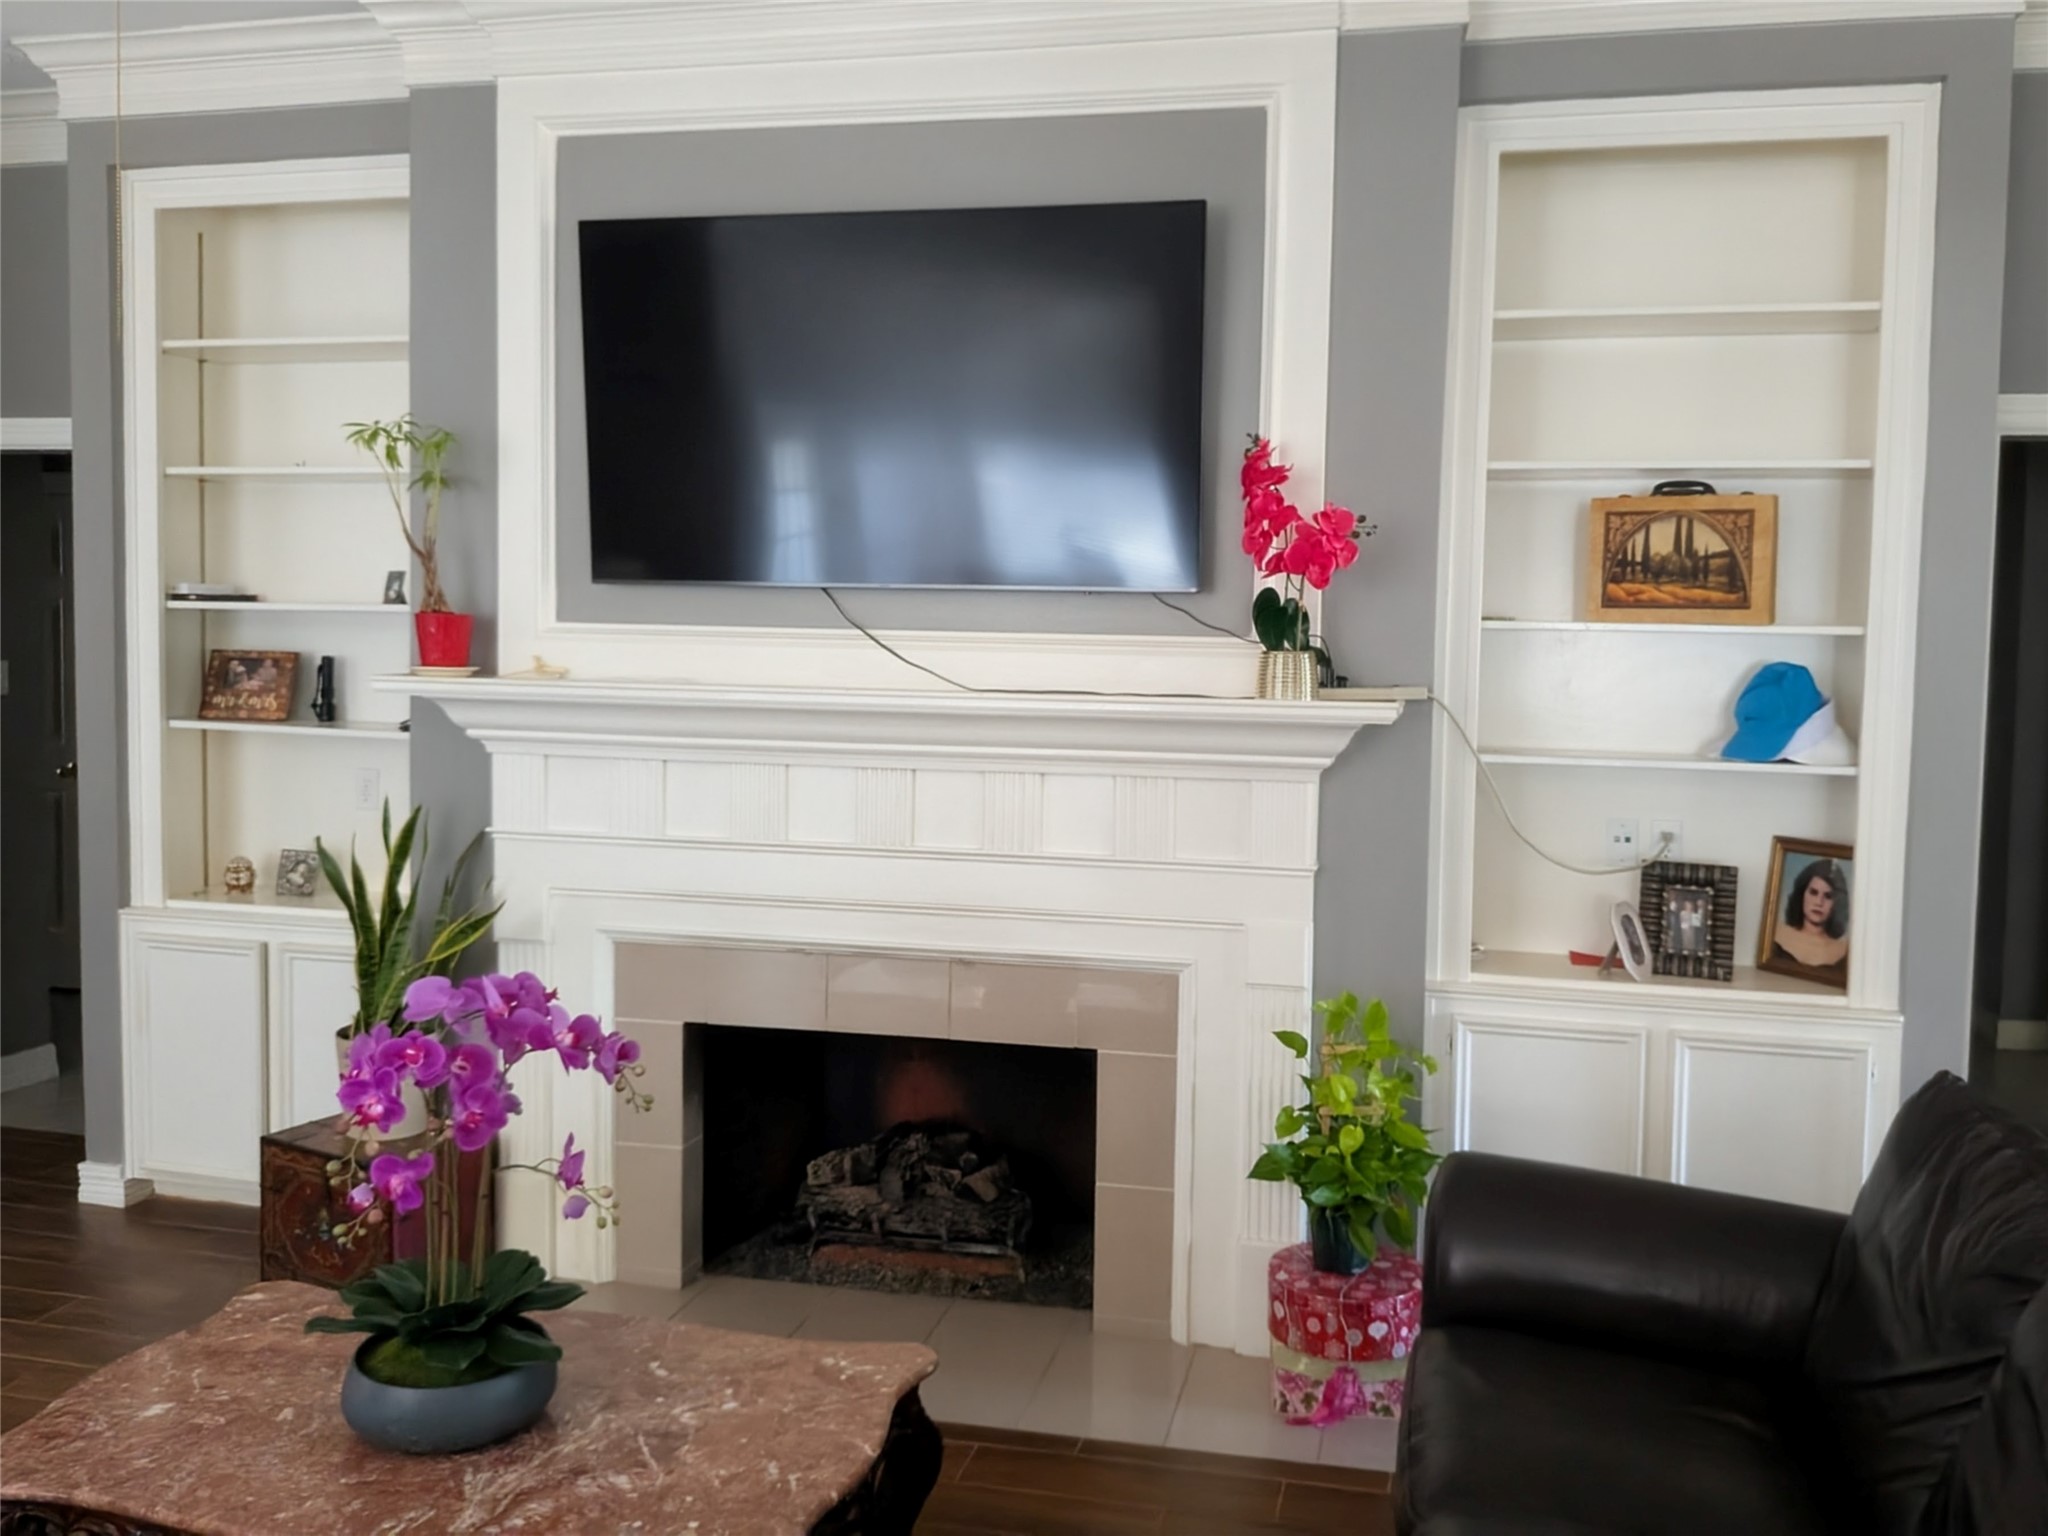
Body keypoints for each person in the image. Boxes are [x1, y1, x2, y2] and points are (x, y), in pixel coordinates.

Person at [1772, 859, 1849, 973]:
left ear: (1837, 903)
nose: (1819, 902)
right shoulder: (1776, 933)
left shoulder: (1844, 951)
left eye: (1828, 896)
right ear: (1801, 894)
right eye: (1813, 892)